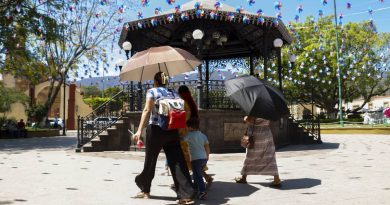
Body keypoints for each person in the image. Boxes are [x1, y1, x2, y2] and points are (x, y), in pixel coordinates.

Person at [132, 72, 194, 204]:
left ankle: (145, 190)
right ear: (166, 81)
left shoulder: (152, 91)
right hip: (172, 129)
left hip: (155, 129)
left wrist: (138, 130)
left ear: (155, 81)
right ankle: (185, 195)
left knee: (150, 160)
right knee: (178, 161)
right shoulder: (173, 92)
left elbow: (147, 110)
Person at [178, 85, 213, 187]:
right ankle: (206, 177)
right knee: (193, 161)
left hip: (185, 133)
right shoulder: (191, 102)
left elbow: (183, 120)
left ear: (180, 93)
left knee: (187, 159)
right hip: (193, 132)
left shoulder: (183, 103)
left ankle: (190, 183)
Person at [235, 116, 282, 187]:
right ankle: (276, 178)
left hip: (255, 135)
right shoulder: (267, 110)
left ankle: (244, 178)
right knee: (269, 156)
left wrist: (245, 118)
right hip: (267, 133)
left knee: (250, 156)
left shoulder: (254, 110)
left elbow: (247, 120)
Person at [183, 118, 210, 200]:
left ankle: (203, 192)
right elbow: (207, 147)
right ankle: (195, 189)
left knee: (198, 176)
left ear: (190, 127)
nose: (187, 128)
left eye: (187, 127)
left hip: (195, 159)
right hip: (204, 158)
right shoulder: (203, 135)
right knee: (196, 174)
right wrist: (207, 156)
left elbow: (182, 140)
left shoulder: (189, 135)